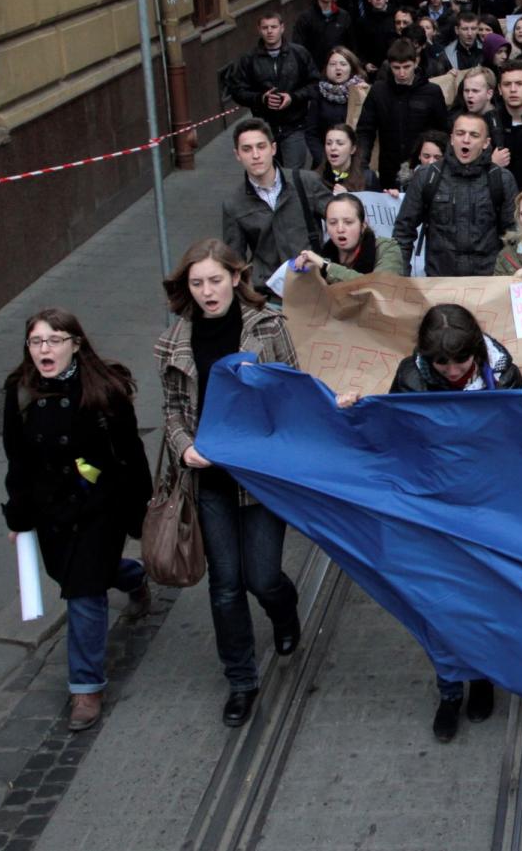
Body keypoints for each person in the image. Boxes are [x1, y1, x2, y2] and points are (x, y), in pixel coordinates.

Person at [387, 303, 522, 741]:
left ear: (477, 353)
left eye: (460, 361)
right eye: (440, 362)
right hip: (436, 512)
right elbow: (391, 437)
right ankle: (449, 690)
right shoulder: (410, 377)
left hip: (489, 511)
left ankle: (481, 677)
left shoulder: (502, 374)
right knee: (438, 604)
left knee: (483, 602)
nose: (450, 370)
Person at [156, 239, 302, 728]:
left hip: (259, 477)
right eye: (197, 284)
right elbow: (172, 409)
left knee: (262, 577)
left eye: (215, 280)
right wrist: (183, 447)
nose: (207, 291)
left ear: (236, 278)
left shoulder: (268, 327)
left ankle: (284, 610)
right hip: (210, 479)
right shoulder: (176, 338)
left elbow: (292, 392)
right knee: (225, 585)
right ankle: (241, 680)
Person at [2, 308, 152, 732]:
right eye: (36, 342)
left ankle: (85, 686)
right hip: (50, 509)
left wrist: (140, 513)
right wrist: (19, 516)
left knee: (84, 592)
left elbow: (130, 455)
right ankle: (132, 576)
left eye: (54, 340)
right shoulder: (19, 392)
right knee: (67, 575)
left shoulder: (105, 388)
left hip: (98, 507)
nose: (44, 349)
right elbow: (17, 458)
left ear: (75, 344)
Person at [393, 114, 518, 276]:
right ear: (452, 139)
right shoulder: (428, 176)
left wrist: (509, 279)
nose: (466, 140)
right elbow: (403, 231)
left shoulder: (501, 178)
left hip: (487, 284)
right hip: (439, 282)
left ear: (486, 143)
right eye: (460, 134)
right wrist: (399, 278)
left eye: (474, 135)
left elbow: (514, 236)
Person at [222, 118, 333, 299]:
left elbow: (341, 221)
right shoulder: (234, 204)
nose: (255, 155)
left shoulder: (306, 182)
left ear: (273, 149)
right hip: (268, 294)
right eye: (247, 149)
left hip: (315, 285)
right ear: (237, 155)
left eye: (261, 146)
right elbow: (235, 260)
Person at [225, 11, 320, 170]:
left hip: (294, 125)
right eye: (265, 27)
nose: (269, 31)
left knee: (293, 174)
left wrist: (293, 97)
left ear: (282, 28)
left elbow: (315, 84)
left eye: (273, 27)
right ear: (259, 30)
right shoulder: (249, 59)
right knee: (268, 174)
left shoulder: (298, 53)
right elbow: (237, 90)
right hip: (264, 127)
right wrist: (260, 98)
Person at [353, 39, 450, 189]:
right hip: (389, 168)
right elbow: (365, 131)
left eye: (406, 67)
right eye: (396, 68)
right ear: (389, 66)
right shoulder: (379, 91)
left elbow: (443, 131)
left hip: (423, 167)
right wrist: (361, 167)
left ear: (415, 62)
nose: (402, 73)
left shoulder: (431, 92)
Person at [294, 194, 402, 282]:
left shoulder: (387, 248)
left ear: (363, 226)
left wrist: (326, 267)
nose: (340, 229)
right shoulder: (323, 255)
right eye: (333, 223)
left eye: (348, 222)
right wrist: (304, 267)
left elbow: (380, 287)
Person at [305, 46, 368, 157]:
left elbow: (366, 133)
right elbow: (311, 133)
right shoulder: (319, 93)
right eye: (333, 64)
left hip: (355, 159)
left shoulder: (361, 92)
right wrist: (324, 159)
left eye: (343, 64)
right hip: (325, 159)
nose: (338, 68)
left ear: (351, 68)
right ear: (326, 68)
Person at [291, 0, 353, 69]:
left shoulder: (343, 16)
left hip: (339, 68)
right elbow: (299, 47)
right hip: (316, 69)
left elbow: (351, 44)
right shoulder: (306, 18)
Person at [316, 122, 380, 193]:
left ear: (352, 149)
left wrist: (349, 196)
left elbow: (377, 202)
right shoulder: (316, 178)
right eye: (328, 143)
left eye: (340, 143)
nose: (333, 148)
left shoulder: (368, 178)